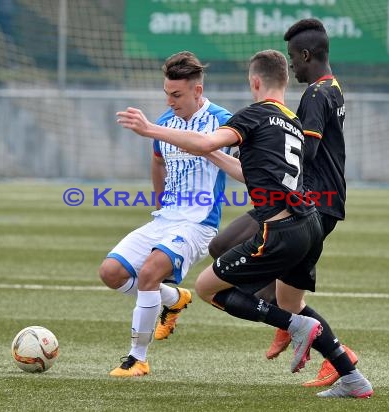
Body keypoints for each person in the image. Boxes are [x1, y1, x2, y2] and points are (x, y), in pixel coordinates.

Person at [118, 49, 373, 398]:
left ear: (254, 81)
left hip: (280, 229)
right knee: (289, 300)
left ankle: (296, 328)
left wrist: (151, 130)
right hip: (309, 225)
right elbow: (246, 172)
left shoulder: (254, 114)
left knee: (208, 288)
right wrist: (212, 154)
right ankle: (353, 377)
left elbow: (207, 139)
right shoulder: (293, 122)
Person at [206, 18, 360, 390]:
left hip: (309, 204)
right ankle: (341, 361)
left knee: (225, 250)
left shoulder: (315, 95)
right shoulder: (332, 87)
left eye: (294, 57)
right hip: (322, 203)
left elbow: (306, 151)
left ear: (307, 55)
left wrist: (262, 141)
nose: (292, 66)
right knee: (285, 296)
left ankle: (289, 326)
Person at [99, 51, 233, 377]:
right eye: (167, 94)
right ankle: (173, 298)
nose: (171, 101)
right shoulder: (164, 123)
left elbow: (238, 160)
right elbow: (158, 161)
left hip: (198, 223)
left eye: (177, 95)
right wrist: (160, 204)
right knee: (111, 272)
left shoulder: (224, 121)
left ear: (197, 91)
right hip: (166, 219)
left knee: (148, 274)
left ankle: (137, 358)